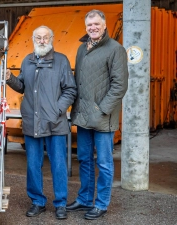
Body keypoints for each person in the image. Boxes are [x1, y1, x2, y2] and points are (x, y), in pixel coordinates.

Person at [6, 25, 77, 219]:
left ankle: (60, 203)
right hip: (32, 121)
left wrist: (57, 110)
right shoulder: (27, 61)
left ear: (52, 38)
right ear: (33, 39)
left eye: (46, 37)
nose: (42, 40)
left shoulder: (61, 61)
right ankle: (37, 201)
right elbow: (22, 86)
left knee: (58, 164)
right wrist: (9, 78)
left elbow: (70, 90)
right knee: (33, 164)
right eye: (38, 37)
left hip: (55, 122)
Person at [66, 9, 129, 220]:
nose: (92, 28)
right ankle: (84, 199)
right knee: (84, 159)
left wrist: (101, 109)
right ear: (86, 28)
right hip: (83, 116)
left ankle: (101, 203)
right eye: (89, 25)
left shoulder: (115, 49)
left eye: (96, 24)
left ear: (104, 26)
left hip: (103, 117)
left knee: (103, 162)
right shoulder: (82, 49)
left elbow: (119, 86)